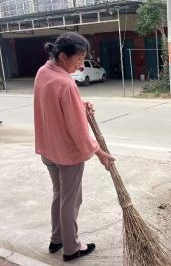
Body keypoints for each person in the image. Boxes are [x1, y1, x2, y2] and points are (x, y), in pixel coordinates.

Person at [34, 32, 115, 261]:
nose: (81, 65)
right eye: (78, 59)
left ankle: (56, 239)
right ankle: (71, 248)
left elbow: (55, 105)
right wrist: (99, 152)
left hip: (48, 149)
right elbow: (79, 132)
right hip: (67, 154)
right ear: (62, 56)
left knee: (59, 196)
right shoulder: (65, 83)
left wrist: (79, 104)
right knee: (71, 201)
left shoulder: (44, 72)